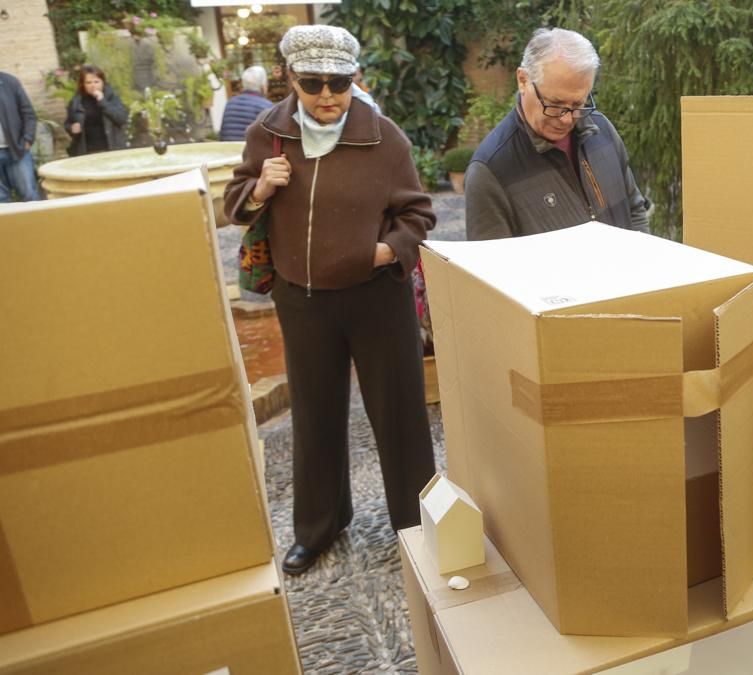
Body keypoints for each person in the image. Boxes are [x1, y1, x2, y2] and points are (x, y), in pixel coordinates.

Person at [224, 24, 436, 575]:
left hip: (375, 299)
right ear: (290, 78)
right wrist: (261, 189)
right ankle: (318, 527)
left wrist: (385, 253)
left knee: (400, 414)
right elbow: (234, 206)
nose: (326, 96)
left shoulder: (384, 137)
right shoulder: (268, 134)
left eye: (338, 83)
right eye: (312, 83)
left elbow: (418, 214)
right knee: (314, 415)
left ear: (354, 79)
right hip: (303, 300)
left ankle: (415, 523)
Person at [465, 27, 649, 240]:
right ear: (523, 80)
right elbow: (489, 269)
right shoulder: (491, 170)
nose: (567, 119)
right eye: (555, 104)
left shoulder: (602, 130)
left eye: (578, 104)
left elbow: (634, 209)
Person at [66, 65, 128, 156]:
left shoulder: (112, 98)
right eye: (88, 82)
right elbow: (68, 123)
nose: (93, 85)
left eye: (96, 82)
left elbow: (122, 118)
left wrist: (103, 101)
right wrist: (72, 128)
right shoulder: (77, 101)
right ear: (83, 84)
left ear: (103, 82)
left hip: (112, 149)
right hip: (87, 151)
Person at [0, 71, 42, 202]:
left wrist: (28, 139)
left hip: (17, 150)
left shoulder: (9, 82)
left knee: (29, 196)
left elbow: (28, 114)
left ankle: (37, 223)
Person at [219, 66, 274, 141]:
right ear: (263, 86)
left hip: (228, 151)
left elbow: (223, 134)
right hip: (249, 151)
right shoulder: (266, 106)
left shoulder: (230, 103)